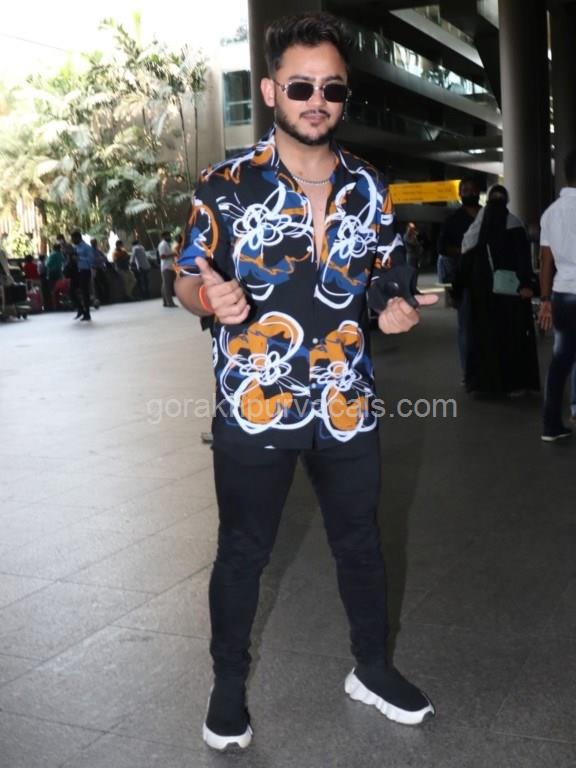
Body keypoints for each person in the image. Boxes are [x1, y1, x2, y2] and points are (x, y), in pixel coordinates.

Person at [175, 12, 437, 752]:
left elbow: (386, 271)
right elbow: (188, 278)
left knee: (361, 544)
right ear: (270, 92)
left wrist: (390, 305)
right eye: (300, 86)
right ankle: (228, 685)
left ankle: (371, 668)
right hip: (254, 405)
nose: (317, 101)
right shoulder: (225, 185)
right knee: (243, 552)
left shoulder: (369, 185)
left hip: (346, 401)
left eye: (332, 88)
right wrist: (208, 298)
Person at [459, 184, 539, 396]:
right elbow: (523, 259)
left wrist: (460, 288)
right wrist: (526, 284)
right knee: (510, 337)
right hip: (509, 292)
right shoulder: (514, 224)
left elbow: (465, 258)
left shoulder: (477, 228)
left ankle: (484, 384)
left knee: (484, 338)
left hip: (482, 295)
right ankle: (512, 384)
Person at [538, 149, 576, 441]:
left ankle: (551, 425)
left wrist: (545, 300)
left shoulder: (551, 212)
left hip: (563, 294)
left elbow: (545, 261)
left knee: (561, 360)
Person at [437, 177, 482, 377]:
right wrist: (463, 251)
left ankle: (486, 370)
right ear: (460, 194)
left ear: (478, 192)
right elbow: (441, 247)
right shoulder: (453, 219)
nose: (469, 193)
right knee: (466, 327)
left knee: (487, 327)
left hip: (488, 280)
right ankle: (468, 372)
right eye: (465, 190)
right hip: (464, 279)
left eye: (472, 189)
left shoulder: (487, 215)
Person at [70, 230, 94, 321]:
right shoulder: (74, 247)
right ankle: (80, 309)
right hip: (76, 272)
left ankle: (87, 313)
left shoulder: (86, 247)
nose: (72, 240)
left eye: (73, 238)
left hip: (85, 271)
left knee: (85, 293)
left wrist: (79, 258)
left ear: (78, 238)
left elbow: (91, 260)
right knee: (71, 291)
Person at [158, 231, 177, 307]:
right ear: (164, 236)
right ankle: (170, 302)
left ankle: (165, 302)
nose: (170, 237)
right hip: (166, 267)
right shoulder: (163, 245)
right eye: (168, 236)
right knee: (167, 286)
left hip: (169, 266)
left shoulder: (167, 244)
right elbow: (162, 256)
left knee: (165, 285)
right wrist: (173, 254)